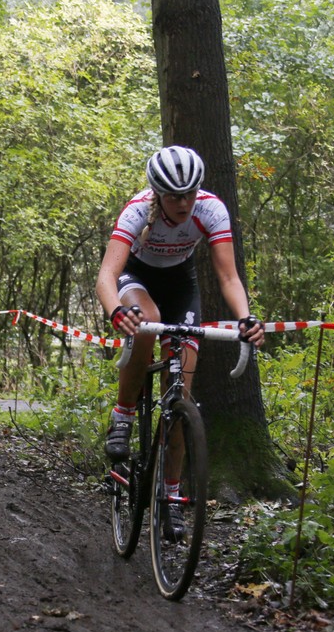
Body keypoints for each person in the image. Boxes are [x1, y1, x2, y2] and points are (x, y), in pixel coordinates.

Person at [96, 145, 266, 480]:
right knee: (147, 319)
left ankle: (171, 491)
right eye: (174, 197)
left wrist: (245, 318)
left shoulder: (211, 209)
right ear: (158, 195)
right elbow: (106, 275)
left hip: (180, 285)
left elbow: (229, 277)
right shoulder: (136, 210)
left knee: (179, 396)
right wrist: (116, 311)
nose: (184, 203)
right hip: (136, 278)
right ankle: (123, 414)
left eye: (189, 194)